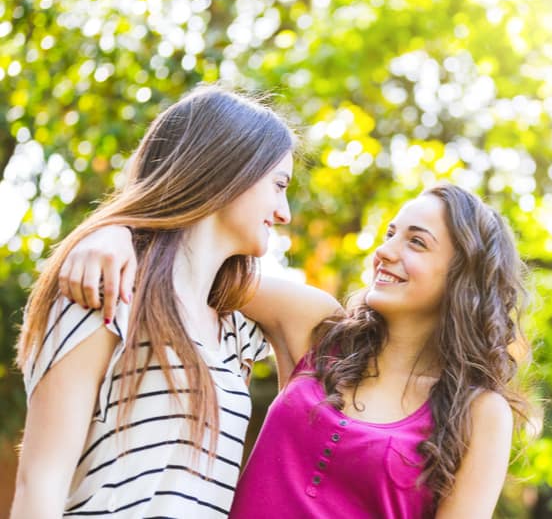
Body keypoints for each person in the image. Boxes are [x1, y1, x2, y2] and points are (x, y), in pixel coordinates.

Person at [57, 183, 531, 517]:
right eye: (390, 233)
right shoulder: (319, 330)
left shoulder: (480, 413)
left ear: (462, 279)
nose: (385, 252)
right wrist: (115, 230)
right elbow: (190, 266)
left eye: (416, 242)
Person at [9, 85, 339, 518]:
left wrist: (116, 230)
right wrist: (116, 232)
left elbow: (326, 317)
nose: (284, 213)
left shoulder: (234, 331)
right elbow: (41, 480)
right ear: (230, 168)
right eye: (278, 185)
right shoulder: (107, 289)